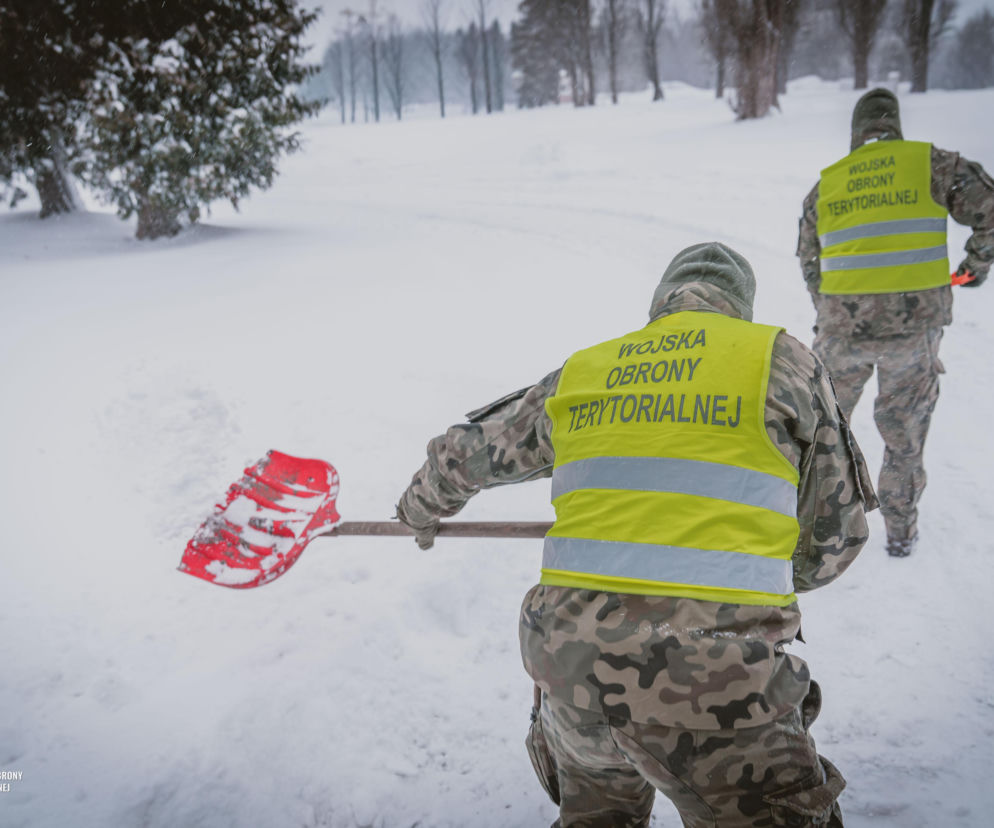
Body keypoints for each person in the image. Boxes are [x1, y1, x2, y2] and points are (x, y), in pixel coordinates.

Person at [396, 242, 877, 828]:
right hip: (717, 685)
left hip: (571, 672)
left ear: (660, 305)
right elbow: (834, 543)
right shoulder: (781, 362)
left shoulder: (588, 369)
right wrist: (755, 557)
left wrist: (420, 510)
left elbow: (466, 453)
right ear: (740, 308)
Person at [797, 87, 994, 557]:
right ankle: (901, 535)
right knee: (903, 439)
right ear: (895, 125)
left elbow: (810, 262)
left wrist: (832, 313)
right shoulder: (932, 165)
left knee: (821, 435)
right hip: (912, 336)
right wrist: (975, 266)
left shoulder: (827, 185)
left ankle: (817, 537)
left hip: (840, 336)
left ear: (855, 133)